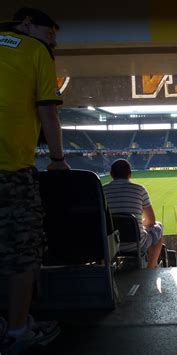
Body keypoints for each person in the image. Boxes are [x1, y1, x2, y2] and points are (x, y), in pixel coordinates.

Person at [0, 7, 70, 353]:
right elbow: (47, 110)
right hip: (10, 167)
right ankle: (17, 330)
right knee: (21, 251)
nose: (52, 40)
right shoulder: (33, 50)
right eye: (49, 32)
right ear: (26, 24)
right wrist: (57, 159)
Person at [103, 159, 163, 269]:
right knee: (158, 227)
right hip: (136, 245)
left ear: (111, 174)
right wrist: (140, 224)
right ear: (130, 174)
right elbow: (151, 220)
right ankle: (150, 268)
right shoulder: (140, 189)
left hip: (110, 246)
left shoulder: (102, 191)